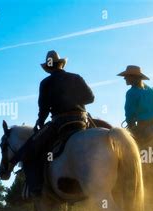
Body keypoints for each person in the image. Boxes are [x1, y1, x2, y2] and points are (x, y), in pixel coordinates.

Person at [11, 50, 94, 196]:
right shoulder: (75, 77)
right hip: (82, 120)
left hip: (60, 122)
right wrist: (74, 101)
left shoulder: (46, 83)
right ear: (61, 64)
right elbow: (90, 98)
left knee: (31, 149)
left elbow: (43, 109)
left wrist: (40, 122)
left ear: (49, 67)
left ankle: (36, 188)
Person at [117, 65, 153, 140]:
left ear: (133, 77)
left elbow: (129, 117)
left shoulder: (131, 93)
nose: (124, 78)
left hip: (142, 129)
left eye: (127, 76)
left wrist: (131, 127)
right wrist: (152, 114)